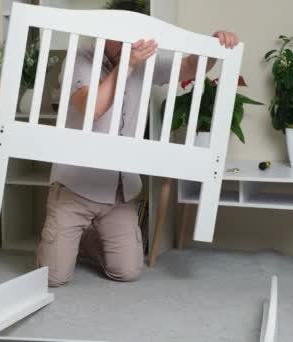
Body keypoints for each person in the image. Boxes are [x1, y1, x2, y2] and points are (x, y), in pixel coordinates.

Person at [36, 0, 240, 287]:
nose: (123, 44)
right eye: (116, 36)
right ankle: (71, 238)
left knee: (127, 271)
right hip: (74, 188)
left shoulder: (144, 63)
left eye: (130, 37)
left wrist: (215, 45)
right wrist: (127, 65)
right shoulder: (80, 58)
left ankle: (88, 239)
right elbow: (91, 107)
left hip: (118, 194)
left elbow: (189, 68)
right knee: (53, 278)